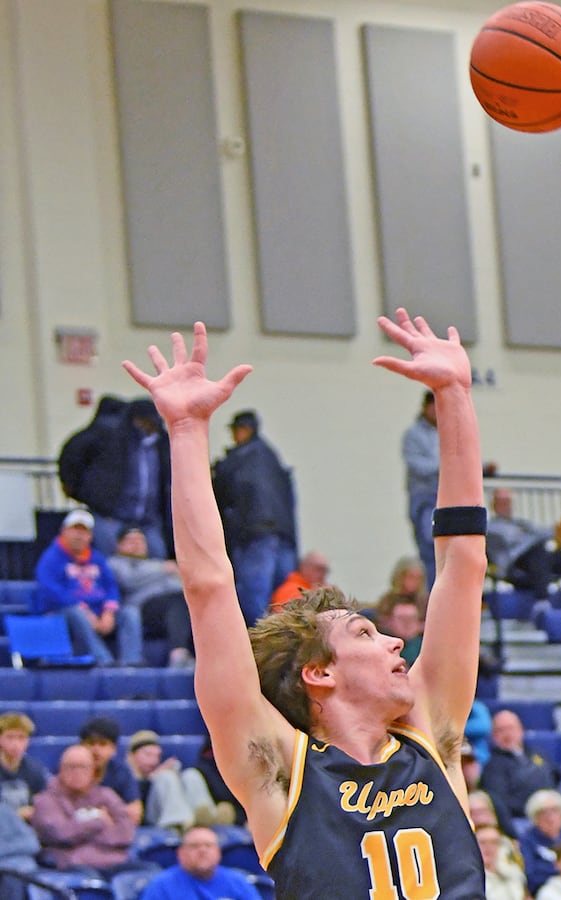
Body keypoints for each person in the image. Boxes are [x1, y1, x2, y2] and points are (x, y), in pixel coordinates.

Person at [120, 312, 488, 898]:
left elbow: (464, 567)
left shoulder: (430, 729)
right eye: (365, 634)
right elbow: (210, 586)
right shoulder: (279, 769)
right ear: (318, 673)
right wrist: (187, 432)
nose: (397, 641)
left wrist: (455, 397)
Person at [210, 408, 297, 625]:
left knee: (253, 594)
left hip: (254, 534)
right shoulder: (271, 456)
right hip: (281, 533)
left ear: (244, 430)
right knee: (280, 594)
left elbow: (229, 492)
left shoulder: (242, 458)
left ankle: (257, 642)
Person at [57, 396, 171, 558]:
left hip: (149, 518)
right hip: (110, 515)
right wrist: (81, 492)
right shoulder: (110, 436)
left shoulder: (162, 443)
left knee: (158, 559)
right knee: (111, 564)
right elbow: (72, 455)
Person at [34, 510, 143, 666]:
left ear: (90, 536)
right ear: (64, 531)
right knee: (77, 614)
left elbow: (111, 586)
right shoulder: (51, 557)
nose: (79, 535)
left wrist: (109, 611)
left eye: (84, 531)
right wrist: (84, 610)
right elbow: (51, 591)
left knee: (130, 613)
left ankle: (132, 663)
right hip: (64, 612)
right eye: (75, 530)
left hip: (98, 611)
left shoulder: (97, 558)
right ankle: (104, 662)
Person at [29, 744, 137, 874]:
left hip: (114, 861)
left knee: (149, 871)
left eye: (83, 767)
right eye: (71, 767)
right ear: (61, 770)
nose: (77, 772)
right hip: (75, 865)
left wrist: (81, 834)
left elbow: (126, 834)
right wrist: (98, 821)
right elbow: (61, 835)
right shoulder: (45, 800)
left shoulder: (107, 795)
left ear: (93, 770)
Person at [107, 526, 192, 668]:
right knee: (178, 602)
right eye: (131, 541)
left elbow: (179, 585)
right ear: (119, 545)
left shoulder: (154, 562)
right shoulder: (116, 562)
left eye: (141, 540)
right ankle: (178, 655)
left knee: (191, 603)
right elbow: (129, 580)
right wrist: (163, 569)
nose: (137, 544)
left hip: (172, 604)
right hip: (143, 608)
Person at [124, 730, 230, 830]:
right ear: (132, 755)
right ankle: (180, 822)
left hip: (176, 811)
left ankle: (210, 816)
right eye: (148, 754)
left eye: (157, 756)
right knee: (166, 777)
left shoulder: (156, 772)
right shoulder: (122, 775)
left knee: (191, 774)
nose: (153, 761)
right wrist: (153, 778)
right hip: (151, 818)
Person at [136, 825, 256, 900]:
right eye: (195, 846)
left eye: (208, 846)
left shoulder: (238, 882)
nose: (202, 851)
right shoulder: (161, 885)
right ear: (180, 853)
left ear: (218, 853)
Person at [482, 710, 556, 818]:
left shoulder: (537, 753)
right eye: (500, 730)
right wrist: (535, 808)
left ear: (521, 729)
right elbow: (500, 802)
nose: (507, 734)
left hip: (552, 811)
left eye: (511, 728)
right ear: (493, 736)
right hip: (522, 818)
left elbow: (557, 776)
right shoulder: (493, 767)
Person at [403, 390, 441, 586]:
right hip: (425, 499)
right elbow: (417, 466)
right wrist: (445, 465)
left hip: (444, 499)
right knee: (430, 548)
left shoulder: (447, 430)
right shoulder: (413, 435)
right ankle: (431, 596)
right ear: (426, 407)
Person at [0, 713, 47, 821]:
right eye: (10, 737)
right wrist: (17, 814)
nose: (15, 744)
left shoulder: (35, 769)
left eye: (21, 738)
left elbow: (42, 805)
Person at [478, 823, 531, 900]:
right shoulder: (472, 878)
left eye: (494, 842)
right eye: (483, 842)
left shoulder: (514, 872)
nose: (489, 847)